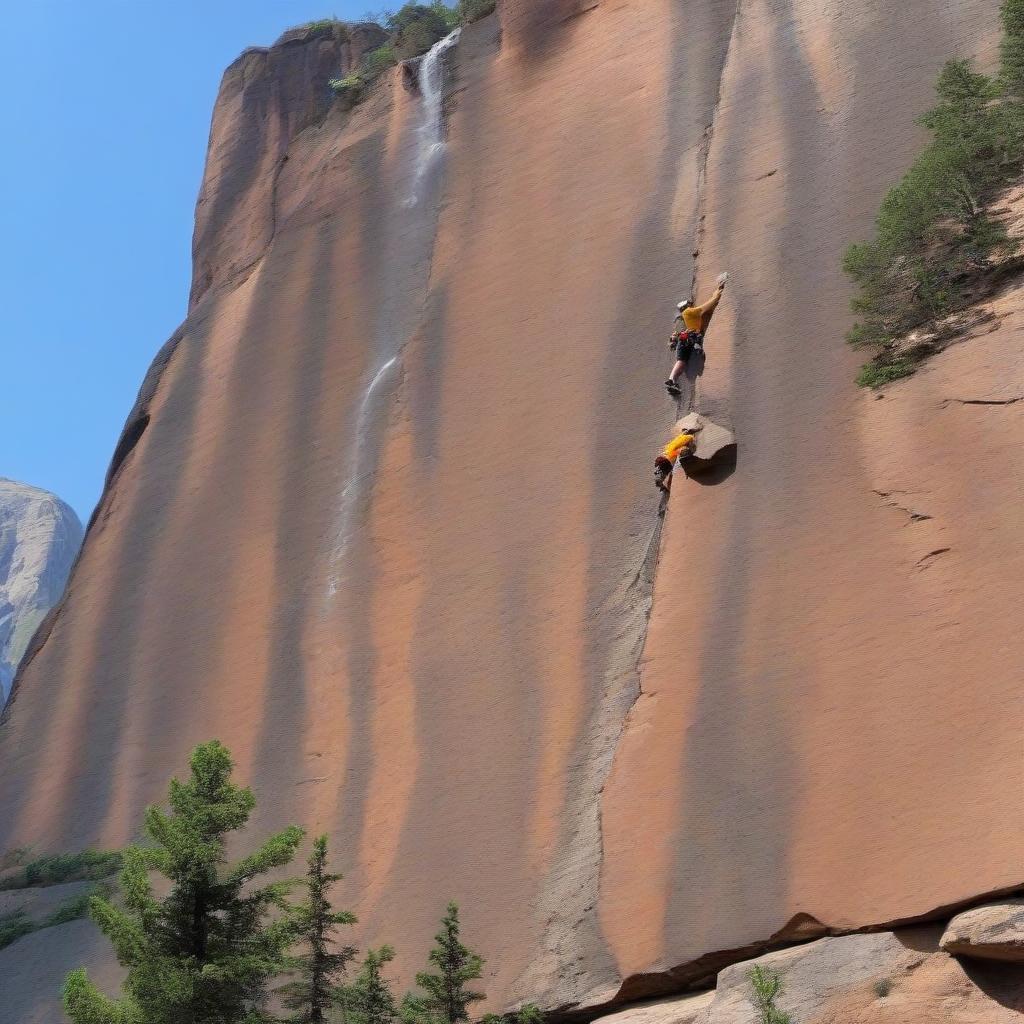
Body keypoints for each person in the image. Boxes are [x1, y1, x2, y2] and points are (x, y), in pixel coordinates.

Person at [665, 275, 727, 394]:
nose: (691, 305)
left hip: (683, 340)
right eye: (689, 304)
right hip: (689, 338)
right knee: (695, 338)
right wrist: (718, 291)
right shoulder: (689, 312)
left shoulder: (683, 318)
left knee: (681, 362)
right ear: (686, 307)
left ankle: (672, 380)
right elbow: (708, 305)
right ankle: (697, 347)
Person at [654, 426, 701, 493]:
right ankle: (662, 485)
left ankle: (662, 485)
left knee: (663, 475)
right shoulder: (684, 440)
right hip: (669, 459)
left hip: (669, 457)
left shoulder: (681, 440)